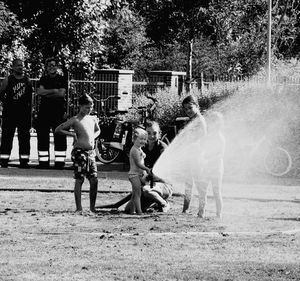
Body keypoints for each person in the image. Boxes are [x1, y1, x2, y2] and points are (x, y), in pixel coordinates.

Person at [55, 94, 100, 213]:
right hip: (80, 152)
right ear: (80, 106)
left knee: (94, 179)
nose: (89, 109)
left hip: (90, 152)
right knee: (80, 178)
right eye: (86, 107)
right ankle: (79, 208)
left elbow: (97, 130)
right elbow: (58, 129)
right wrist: (73, 134)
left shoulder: (92, 119)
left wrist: (93, 138)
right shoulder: (75, 119)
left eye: (91, 107)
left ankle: (92, 207)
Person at [0, 58, 33, 168]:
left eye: (21, 65)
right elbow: (1, 92)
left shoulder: (27, 80)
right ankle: (4, 160)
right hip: (10, 113)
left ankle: (24, 161)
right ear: (13, 67)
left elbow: (30, 98)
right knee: (6, 137)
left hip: (23, 113)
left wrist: (30, 111)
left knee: (24, 138)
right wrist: (7, 103)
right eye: (18, 65)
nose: (20, 67)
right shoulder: (8, 79)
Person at [36, 57, 67, 169]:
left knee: (60, 136)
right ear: (46, 68)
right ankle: (43, 163)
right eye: (49, 65)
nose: (52, 67)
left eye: (54, 65)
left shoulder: (62, 79)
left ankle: (59, 163)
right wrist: (54, 91)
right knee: (43, 137)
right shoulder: (43, 79)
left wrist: (47, 93)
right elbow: (40, 92)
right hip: (44, 112)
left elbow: (61, 94)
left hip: (58, 112)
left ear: (57, 67)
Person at [181, 95, 207, 216]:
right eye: (185, 109)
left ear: (197, 106)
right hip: (188, 156)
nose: (188, 111)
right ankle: (185, 208)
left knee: (198, 183)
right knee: (188, 183)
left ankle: (201, 210)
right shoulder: (190, 120)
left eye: (190, 108)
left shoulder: (200, 120)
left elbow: (203, 138)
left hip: (197, 157)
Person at [200, 111, 225, 218]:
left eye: (214, 122)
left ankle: (219, 214)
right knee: (203, 191)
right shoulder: (208, 136)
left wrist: (208, 159)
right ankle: (201, 212)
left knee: (216, 191)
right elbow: (203, 148)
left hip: (216, 168)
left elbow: (220, 155)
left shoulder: (220, 138)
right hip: (206, 168)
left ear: (219, 124)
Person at [127, 127, 150, 215]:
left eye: (145, 139)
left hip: (139, 174)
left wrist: (143, 154)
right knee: (138, 193)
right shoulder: (134, 150)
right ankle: (139, 211)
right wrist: (146, 169)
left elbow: (142, 156)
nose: (143, 141)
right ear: (134, 139)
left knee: (134, 194)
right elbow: (138, 164)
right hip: (134, 175)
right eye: (141, 139)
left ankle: (132, 210)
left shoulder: (139, 149)